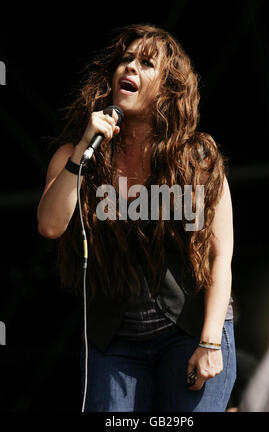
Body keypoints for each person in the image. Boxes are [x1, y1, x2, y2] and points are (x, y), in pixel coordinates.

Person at [37, 23, 236, 412]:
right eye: (125, 59)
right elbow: (49, 225)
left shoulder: (198, 160)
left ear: (168, 88)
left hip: (190, 331)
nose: (129, 68)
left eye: (145, 63)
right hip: (116, 342)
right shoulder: (77, 157)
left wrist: (210, 341)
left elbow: (220, 256)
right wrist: (82, 149)